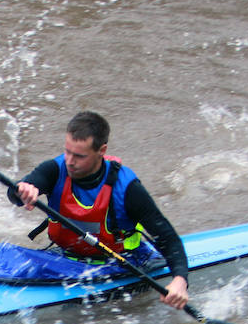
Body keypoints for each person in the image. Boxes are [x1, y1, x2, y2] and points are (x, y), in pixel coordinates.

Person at [11, 111, 190, 309]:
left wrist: (180, 280)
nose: (69, 161)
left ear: (101, 150)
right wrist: (23, 190)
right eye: (67, 151)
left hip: (121, 264)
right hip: (69, 259)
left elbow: (168, 238)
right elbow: (15, 195)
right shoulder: (55, 170)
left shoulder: (127, 189)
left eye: (79, 156)